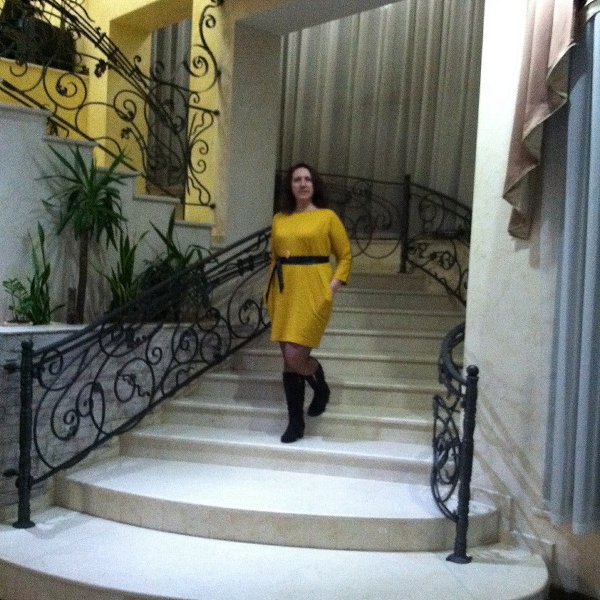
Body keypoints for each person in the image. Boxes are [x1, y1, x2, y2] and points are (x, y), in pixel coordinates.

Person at [265, 163, 352, 443]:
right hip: (284, 291)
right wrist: (269, 293)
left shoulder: (327, 217)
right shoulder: (280, 218)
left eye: (307, 179)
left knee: (295, 357)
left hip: (314, 290)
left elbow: (345, 256)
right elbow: (274, 257)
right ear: (290, 186)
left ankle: (320, 385)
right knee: (288, 361)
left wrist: (332, 286)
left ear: (314, 185)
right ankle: (295, 422)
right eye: (297, 180)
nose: (302, 184)